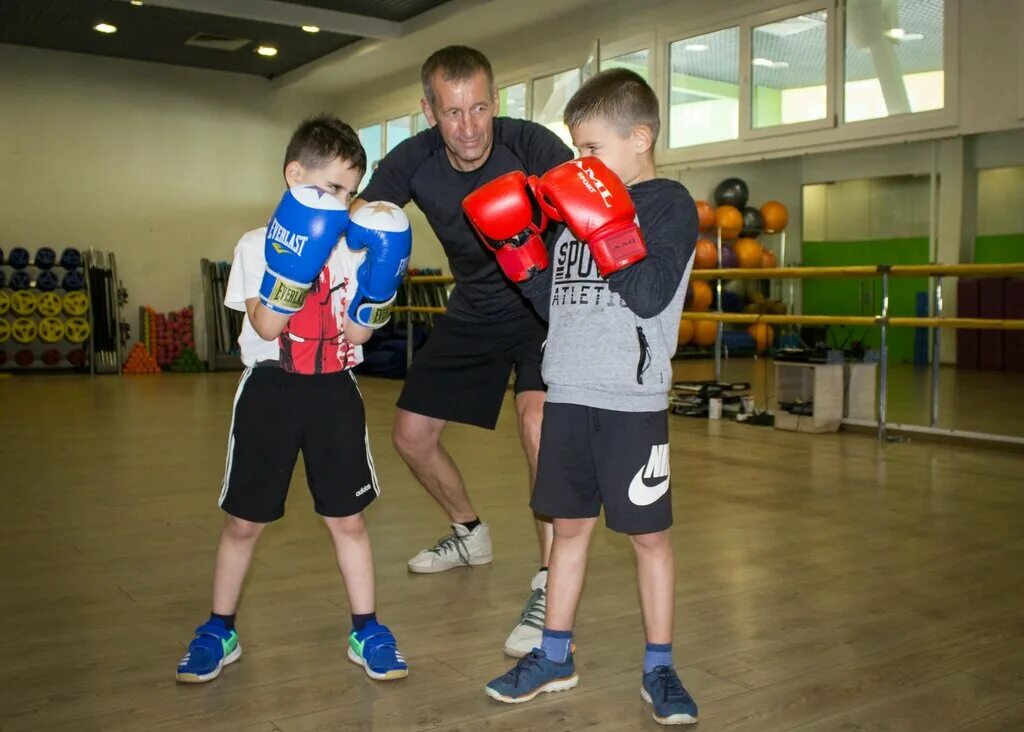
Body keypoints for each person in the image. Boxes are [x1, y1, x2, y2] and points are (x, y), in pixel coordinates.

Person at [464, 69, 700, 725]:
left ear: (641, 136)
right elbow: (555, 306)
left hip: (630, 402)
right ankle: (554, 654)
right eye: (576, 150)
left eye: (591, 148)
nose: (579, 164)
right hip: (566, 393)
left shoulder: (667, 204)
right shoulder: (576, 212)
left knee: (648, 538)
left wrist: (603, 225)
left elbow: (649, 294)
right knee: (568, 531)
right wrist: (520, 255)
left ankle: (660, 666)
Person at [175, 114, 411, 685]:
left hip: (335, 392)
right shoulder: (257, 245)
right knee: (244, 523)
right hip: (270, 391)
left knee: (347, 519)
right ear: (294, 176)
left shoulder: (354, 252)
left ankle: (367, 627)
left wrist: (381, 282)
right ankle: (218, 628)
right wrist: (299, 260)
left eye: (350, 193)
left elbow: (358, 336)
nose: (342, 202)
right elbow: (265, 320)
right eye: (331, 188)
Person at [353, 45, 573, 656]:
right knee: (411, 435)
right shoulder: (415, 159)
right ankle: (470, 533)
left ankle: (552, 583)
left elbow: (588, 213)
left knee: (538, 424)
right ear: (429, 112)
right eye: (453, 113)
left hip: (539, 306)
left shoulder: (531, 146)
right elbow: (362, 215)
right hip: (474, 310)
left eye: (479, 108)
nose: (469, 126)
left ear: (495, 101)